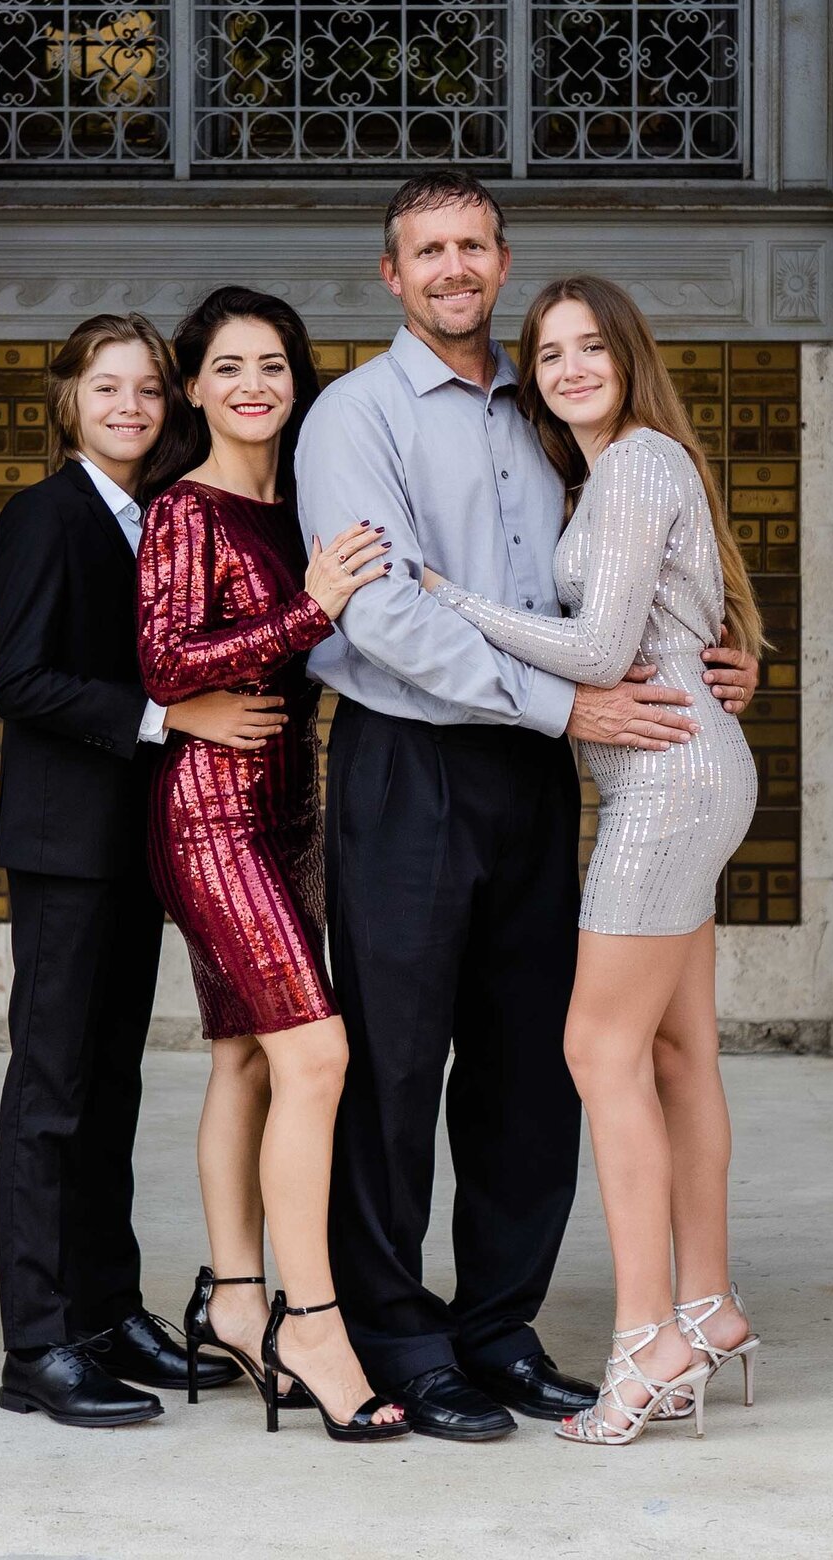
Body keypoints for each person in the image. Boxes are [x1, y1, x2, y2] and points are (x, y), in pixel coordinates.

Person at [293, 169, 759, 1442]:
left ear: (502, 260)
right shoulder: (355, 416)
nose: (453, 266)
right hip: (409, 763)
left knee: (526, 1068)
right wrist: (565, 708)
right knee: (396, 1064)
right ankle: (402, 1336)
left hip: (540, 777)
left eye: (473, 245)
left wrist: (723, 652)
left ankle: (499, 1327)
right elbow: (382, 612)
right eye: (427, 249)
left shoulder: (552, 413)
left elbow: (650, 554)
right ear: (393, 276)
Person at [427, 276, 762, 1446]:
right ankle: (708, 1305)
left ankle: (645, 1344)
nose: (569, 366)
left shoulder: (630, 466)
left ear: (626, 353)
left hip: (666, 783)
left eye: (588, 346)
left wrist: (446, 597)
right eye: (548, 351)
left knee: (595, 1047)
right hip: (695, 766)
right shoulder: (637, 467)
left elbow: (601, 646)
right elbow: (689, 631)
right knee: (678, 1048)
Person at [0, 311, 283, 1428]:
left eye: (148, 390)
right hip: (64, 850)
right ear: (69, 399)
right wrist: (170, 715)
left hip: (133, 848)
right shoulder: (45, 516)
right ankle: (39, 1345)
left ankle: (108, 1314)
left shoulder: (153, 518)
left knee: (112, 1089)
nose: (129, 407)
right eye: (106, 388)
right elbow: (20, 681)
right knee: (52, 1096)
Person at [136, 286, 407, 1443]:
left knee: (247, 1056)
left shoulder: (299, 506)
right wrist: (310, 610)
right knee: (319, 1056)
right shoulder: (184, 511)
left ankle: (237, 1299)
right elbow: (163, 661)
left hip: (292, 807)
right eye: (230, 367)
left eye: (276, 367)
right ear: (193, 387)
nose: (255, 385)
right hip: (209, 818)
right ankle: (317, 1322)